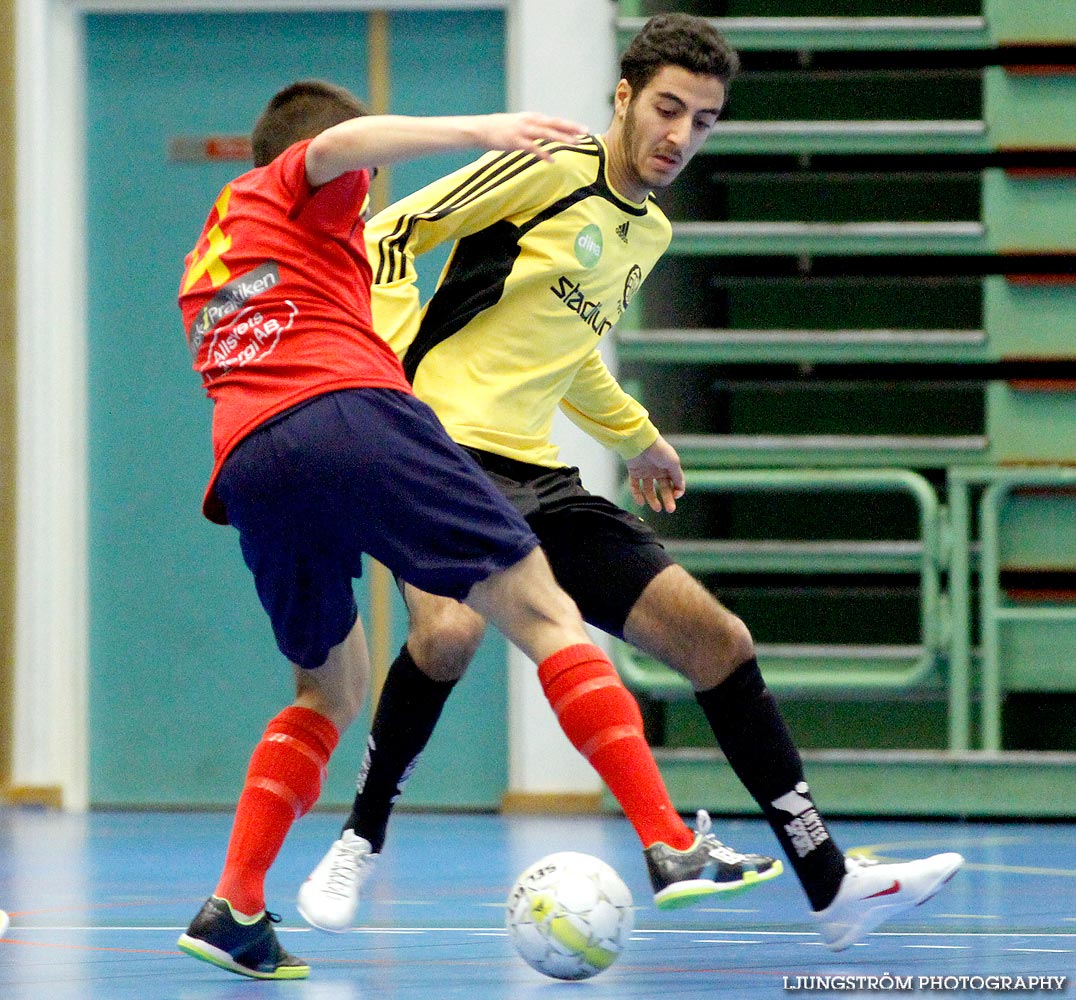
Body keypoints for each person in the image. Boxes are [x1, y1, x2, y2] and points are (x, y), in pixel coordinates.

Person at [298, 13, 964, 954]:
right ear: (623, 97)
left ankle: (831, 885)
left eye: (703, 120)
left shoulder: (645, 233)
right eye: (666, 109)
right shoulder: (548, 168)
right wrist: (396, 381)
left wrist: (641, 437)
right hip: (437, 450)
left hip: (535, 469)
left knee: (717, 640)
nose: (680, 137)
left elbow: (569, 358)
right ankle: (360, 839)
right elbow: (391, 233)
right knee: (446, 635)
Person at [174, 79, 777, 982]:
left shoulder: (213, 255)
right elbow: (339, 148)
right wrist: (478, 130)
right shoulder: (303, 184)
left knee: (328, 691)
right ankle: (668, 842)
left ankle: (235, 905)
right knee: (543, 611)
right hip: (347, 409)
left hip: (250, 464)